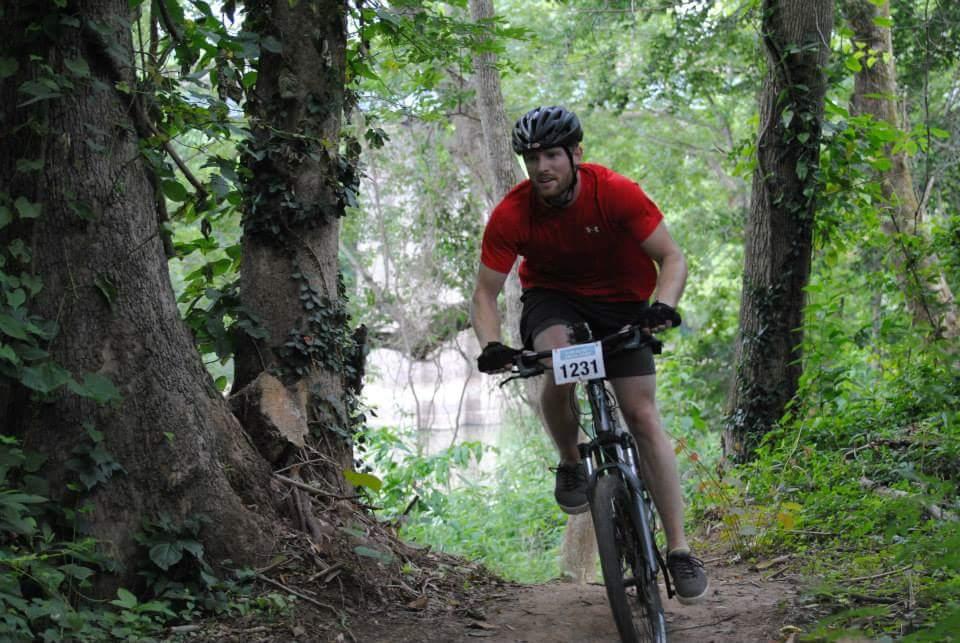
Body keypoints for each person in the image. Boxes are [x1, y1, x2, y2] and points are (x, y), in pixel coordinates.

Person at [469, 105, 709, 605]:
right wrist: (492, 346)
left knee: (642, 416)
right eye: (531, 158)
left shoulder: (615, 192)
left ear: (576, 154)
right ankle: (570, 460)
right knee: (554, 363)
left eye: (551, 155)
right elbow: (486, 294)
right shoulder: (512, 213)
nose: (541, 168)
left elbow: (672, 257)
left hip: (623, 304)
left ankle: (681, 550)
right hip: (553, 299)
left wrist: (662, 308)